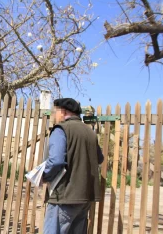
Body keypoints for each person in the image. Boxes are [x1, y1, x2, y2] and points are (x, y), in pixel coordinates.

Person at [43, 98, 104, 234]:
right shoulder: (90, 134)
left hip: (64, 197)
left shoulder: (61, 129)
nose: (54, 115)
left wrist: (44, 176)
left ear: (63, 112)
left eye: (55, 112)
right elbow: (99, 159)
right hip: (85, 198)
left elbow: (56, 161)